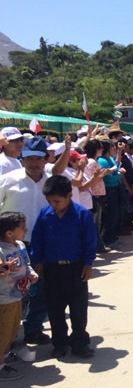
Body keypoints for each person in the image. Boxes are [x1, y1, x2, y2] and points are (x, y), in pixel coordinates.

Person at [0, 136, 62, 346]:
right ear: (22, 159)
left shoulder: (52, 182)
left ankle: (33, 329)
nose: (34, 163)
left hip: (45, 244)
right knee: (9, 290)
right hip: (13, 245)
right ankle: (7, 334)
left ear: (46, 159)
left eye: (38, 158)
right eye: (29, 158)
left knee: (40, 288)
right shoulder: (8, 180)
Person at [31, 175, 97, 359]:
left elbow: (89, 242)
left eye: (57, 201)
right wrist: (38, 261)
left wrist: (88, 264)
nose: (53, 204)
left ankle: (79, 342)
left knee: (78, 308)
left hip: (75, 269)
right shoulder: (45, 214)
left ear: (69, 195)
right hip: (52, 269)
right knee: (55, 308)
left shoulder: (82, 214)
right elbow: (37, 239)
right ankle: (59, 342)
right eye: (49, 201)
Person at [0, 212, 38, 381]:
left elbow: (26, 263)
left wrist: (31, 273)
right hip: (3, 299)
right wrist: (5, 268)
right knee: (3, 332)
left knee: (13, 329)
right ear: (9, 233)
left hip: (17, 297)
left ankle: (5, 355)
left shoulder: (21, 245)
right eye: (22, 228)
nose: (26, 230)